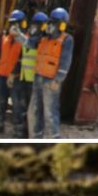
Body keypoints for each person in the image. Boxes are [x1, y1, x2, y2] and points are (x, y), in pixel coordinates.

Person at [27, 8, 74, 139]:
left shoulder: (67, 39)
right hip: (38, 78)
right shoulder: (43, 38)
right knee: (33, 112)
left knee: (49, 113)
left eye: (54, 23)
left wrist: (58, 80)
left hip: (51, 81)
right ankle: (35, 139)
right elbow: (29, 44)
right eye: (50, 22)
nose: (50, 26)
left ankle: (53, 139)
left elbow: (65, 62)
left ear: (62, 25)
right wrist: (19, 34)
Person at [0, 10, 28, 137]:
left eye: (16, 23)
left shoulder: (25, 40)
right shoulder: (5, 38)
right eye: (12, 23)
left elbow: (23, 60)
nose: (13, 26)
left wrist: (14, 73)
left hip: (15, 79)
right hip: (2, 76)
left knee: (17, 105)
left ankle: (18, 131)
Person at [11, 12, 42, 138]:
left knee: (32, 111)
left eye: (37, 25)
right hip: (24, 78)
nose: (34, 26)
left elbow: (30, 43)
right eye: (33, 24)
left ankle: (31, 134)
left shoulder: (41, 40)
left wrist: (18, 34)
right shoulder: (30, 37)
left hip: (34, 81)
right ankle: (21, 133)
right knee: (21, 108)